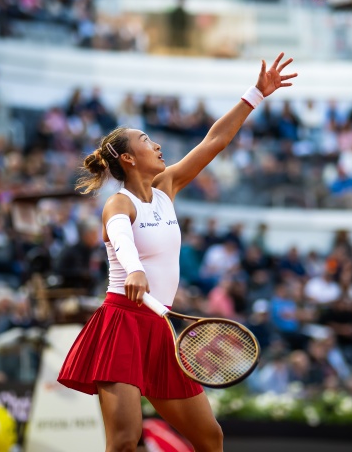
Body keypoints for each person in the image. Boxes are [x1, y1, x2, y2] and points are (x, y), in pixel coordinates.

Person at [57, 53, 297, 452]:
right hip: (124, 324)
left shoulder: (167, 188)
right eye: (147, 141)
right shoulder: (118, 204)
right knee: (122, 442)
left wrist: (256, 93)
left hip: (161, 328)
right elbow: (120, 238)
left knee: (210, 437)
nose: (158, 144)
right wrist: (134, 270)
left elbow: (215, 141)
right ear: (130, 158)